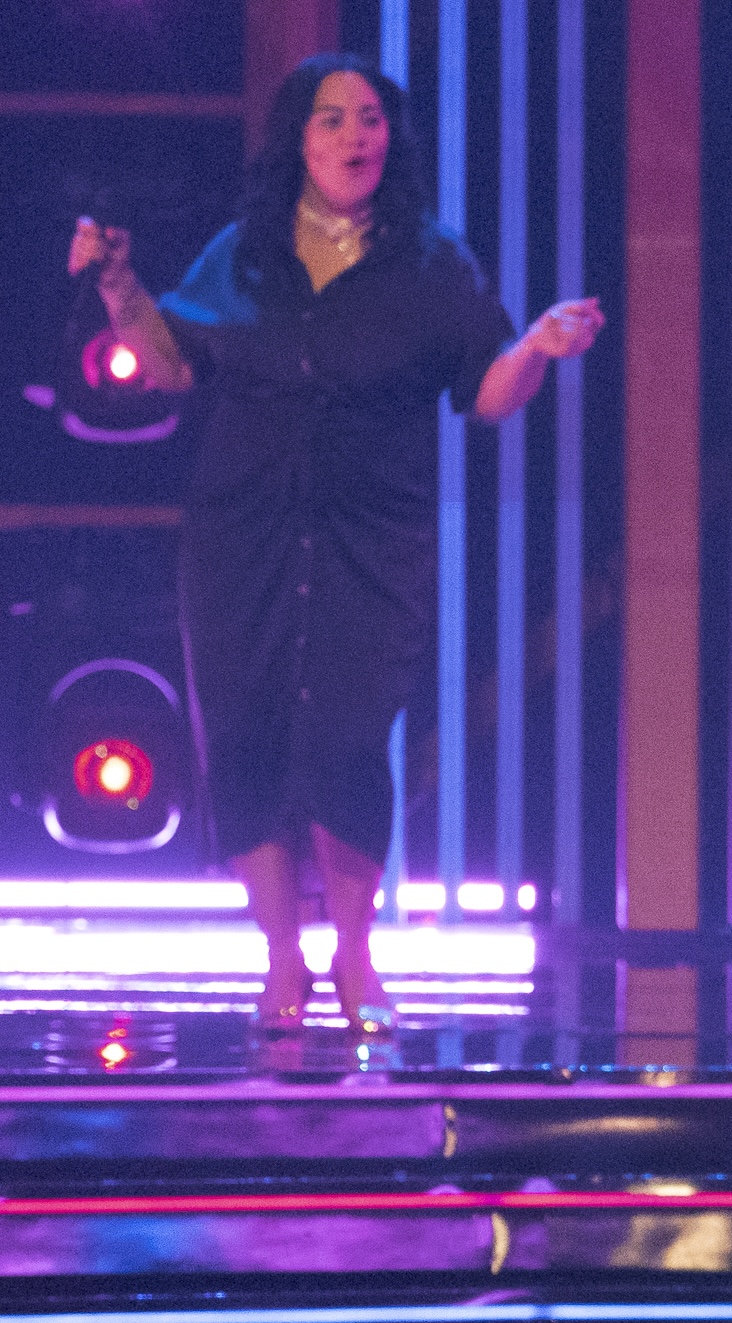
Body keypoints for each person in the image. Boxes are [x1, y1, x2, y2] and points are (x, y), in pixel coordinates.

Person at [66, 53, 602, 1038]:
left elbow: (484, 394)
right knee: (247, 738)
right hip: (243, 536)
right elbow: (172, 365)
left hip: (373, 536)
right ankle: (281, 960)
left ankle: (355, 951)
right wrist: (119, 288)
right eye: (332, 120)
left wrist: (533, 347)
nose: (356, 136)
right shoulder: (245, 253)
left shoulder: (434, 263)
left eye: (369, 118)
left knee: (352, 740)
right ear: (298, 142)